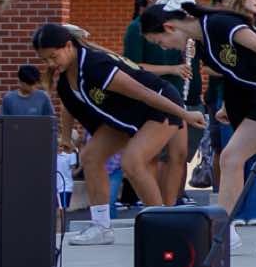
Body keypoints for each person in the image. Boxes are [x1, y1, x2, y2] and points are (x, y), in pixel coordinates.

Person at [141, 0, 256, 257]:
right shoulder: (203, 43)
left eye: (159, 42)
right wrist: (226, 105)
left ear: (169, 27)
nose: (163, 48)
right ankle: (225, 231)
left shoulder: (218, 24)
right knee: (230, 158)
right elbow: (234, 74)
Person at [30, 25, 203, 244]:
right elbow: (68, 108)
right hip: (127, 116)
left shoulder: (95, 65)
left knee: (132, 161)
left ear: (68, 46)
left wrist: (185, 114)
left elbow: (144, 93)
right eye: (45, 60)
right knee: (90, 156)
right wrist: (65, 138)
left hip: (159, 104)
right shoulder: (65, 80)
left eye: (53, 57)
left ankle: (162, 227)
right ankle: (101, 227)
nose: (50, 64)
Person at [123, 0, 191, 207]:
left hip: (176, 95)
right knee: (151, 156)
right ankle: (153, 208)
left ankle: (169, 207)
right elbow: (133, 67)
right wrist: (172, 68)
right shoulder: (136, 27)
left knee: (179, 154)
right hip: (150, 97)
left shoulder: (173, 26)